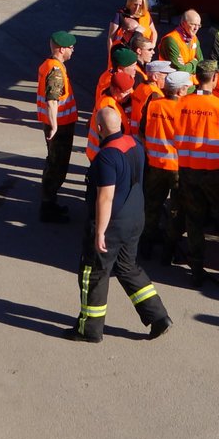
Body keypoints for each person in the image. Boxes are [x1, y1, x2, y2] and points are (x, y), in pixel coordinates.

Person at [67, 107, 173, 343]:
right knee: (127, 267)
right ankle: (158, 316)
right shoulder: (133, 143)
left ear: (99, 129)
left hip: (113, 223)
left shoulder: (106, 156)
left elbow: (105, 196)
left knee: (93, 272)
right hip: (135, 218)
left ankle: (90, 329)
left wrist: (100, 231)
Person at [174, 72, 219, 283]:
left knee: (194, 218)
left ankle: (196, 266)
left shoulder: (182, 102)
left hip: (187, 169)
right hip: (215, 172)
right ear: (214, 79)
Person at [139, 70, 191, 262]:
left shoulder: (153, 105)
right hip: (177, 166)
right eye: (186, 87)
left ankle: (146, 245)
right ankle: (169, 252)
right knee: (176, 210)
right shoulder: (184, 109)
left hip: (155, 163)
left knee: (152, 205)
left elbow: (142, 131)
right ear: (179, 91)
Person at [36, 31, 79, 224]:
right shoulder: (55, 70)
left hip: (57, 124)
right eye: (70, 47)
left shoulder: (50, 65)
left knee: (53, 162)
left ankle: (50, 202)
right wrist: (54, 126)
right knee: (57, 165)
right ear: (61, 49)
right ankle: (48, 206)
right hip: (60, 127)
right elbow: (52, 100)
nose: (72, 50)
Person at [85, 69, 135, 167]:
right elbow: (113, 136)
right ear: (116, 90)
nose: (129, 96)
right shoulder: (108, 107)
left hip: (100, 153)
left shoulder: (112, 99)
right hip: (102, 155)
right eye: (126, 93)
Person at [107, 0, 157, 65]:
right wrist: (112, 57)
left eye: (140, 5)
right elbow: (110, 38)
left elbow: (154, 32)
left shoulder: (146, 15)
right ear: (130, 3)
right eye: (135, 4)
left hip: (143, 53)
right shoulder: (120, 15)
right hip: (126, 51)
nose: (137, 8)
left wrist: (152, 45)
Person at [160, 10, 203, 77]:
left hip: (192, 83)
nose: (196, 28)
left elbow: (201, 63)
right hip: (176, 84)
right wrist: (194, 62)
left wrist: (186, 66)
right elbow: (179, 69)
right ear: (183, 24)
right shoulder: (171, 40)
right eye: (193, 24)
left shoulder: (194, 38)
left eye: (198, 25)